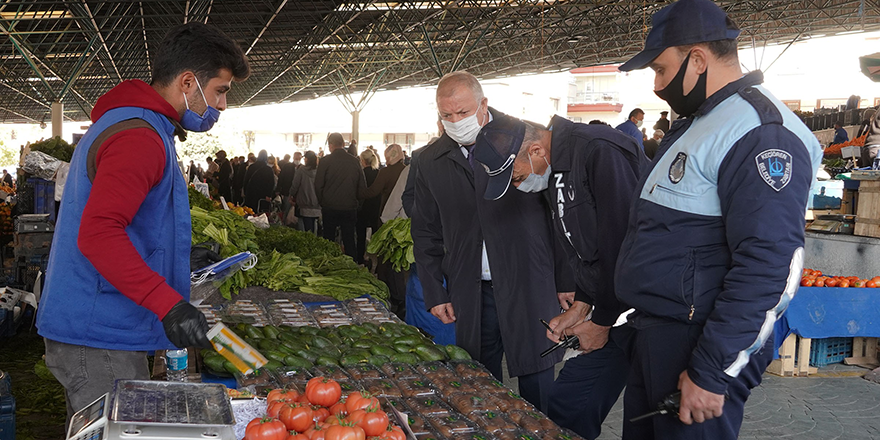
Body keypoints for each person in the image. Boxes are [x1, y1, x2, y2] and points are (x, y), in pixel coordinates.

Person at [615, 0, 822, 438]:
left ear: (697, 59)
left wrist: (711, 371)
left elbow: (769, 264)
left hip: (698, 342)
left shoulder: (761, 132)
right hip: (663, 332)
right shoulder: (701, 121)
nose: (657, 86)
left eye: (660, 69)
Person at [35, 21, 249, 423]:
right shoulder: (140, 138)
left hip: (107, 322)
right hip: (99, 332)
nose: (222, 105)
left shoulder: (141, 127)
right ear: (188, 82)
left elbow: (128, 220)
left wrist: (175, 254)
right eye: (220, 91)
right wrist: (169, 305)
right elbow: (99, 234)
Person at [473, 115, 645, 439]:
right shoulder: (556, 173)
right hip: (612, 309)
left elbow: (622, 243)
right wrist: (582, 304)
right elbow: (586, 248)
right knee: (564, 410)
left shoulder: (598, 150)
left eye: (517, 177)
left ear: (537, 150)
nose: (518, 186)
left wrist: (601, 322)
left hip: (647, 313)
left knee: (650, 420)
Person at [411, 71, 570, 412]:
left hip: (531, 281)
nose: (455, 122)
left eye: (463, 113)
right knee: (477, 382)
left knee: (538, 378)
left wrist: (567, 280)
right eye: (446, 115)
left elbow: (560, 215)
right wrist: (435, 292)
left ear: (484, 104)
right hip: (471, 289)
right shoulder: (429, 160)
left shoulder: (524, 139)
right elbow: (424, 230)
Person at [362, 144, 408, 313]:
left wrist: (356, 192)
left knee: (385, 256)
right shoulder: (406, 169)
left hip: (389, 216)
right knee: (399, 258)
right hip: (404, 222)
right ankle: (400, 296)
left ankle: (388, 292)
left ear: (389, 155)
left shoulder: (387, 172)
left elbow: (374, 191)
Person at [315, 132, 367, 261]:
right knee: (349, 239)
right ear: (343, 144)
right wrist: (358, 204)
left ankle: (328, 264)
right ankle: (351, 267)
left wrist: (322, 201)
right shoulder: (355, 161)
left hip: (329, 206)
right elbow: (362, 186)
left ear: (330, 145)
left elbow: (318, 185)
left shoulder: (325, 161)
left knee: (328, 239)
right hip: (349, 207)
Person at [357, 149, 381, 264]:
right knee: (376, 235)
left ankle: (360, 258)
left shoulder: (361, 174)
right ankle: (375, 259)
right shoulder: (379, 173)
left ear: (362, 160)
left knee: (360, 234)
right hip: (376, 207)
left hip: (362, 207)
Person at [290, 151, 321, 234]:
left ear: (307, 159)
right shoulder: (319, 171)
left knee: (306, 226)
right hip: (317, 203)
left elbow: (295, 184)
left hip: (304, 202)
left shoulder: (301, 170)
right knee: (315, 224)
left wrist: (291, 195)